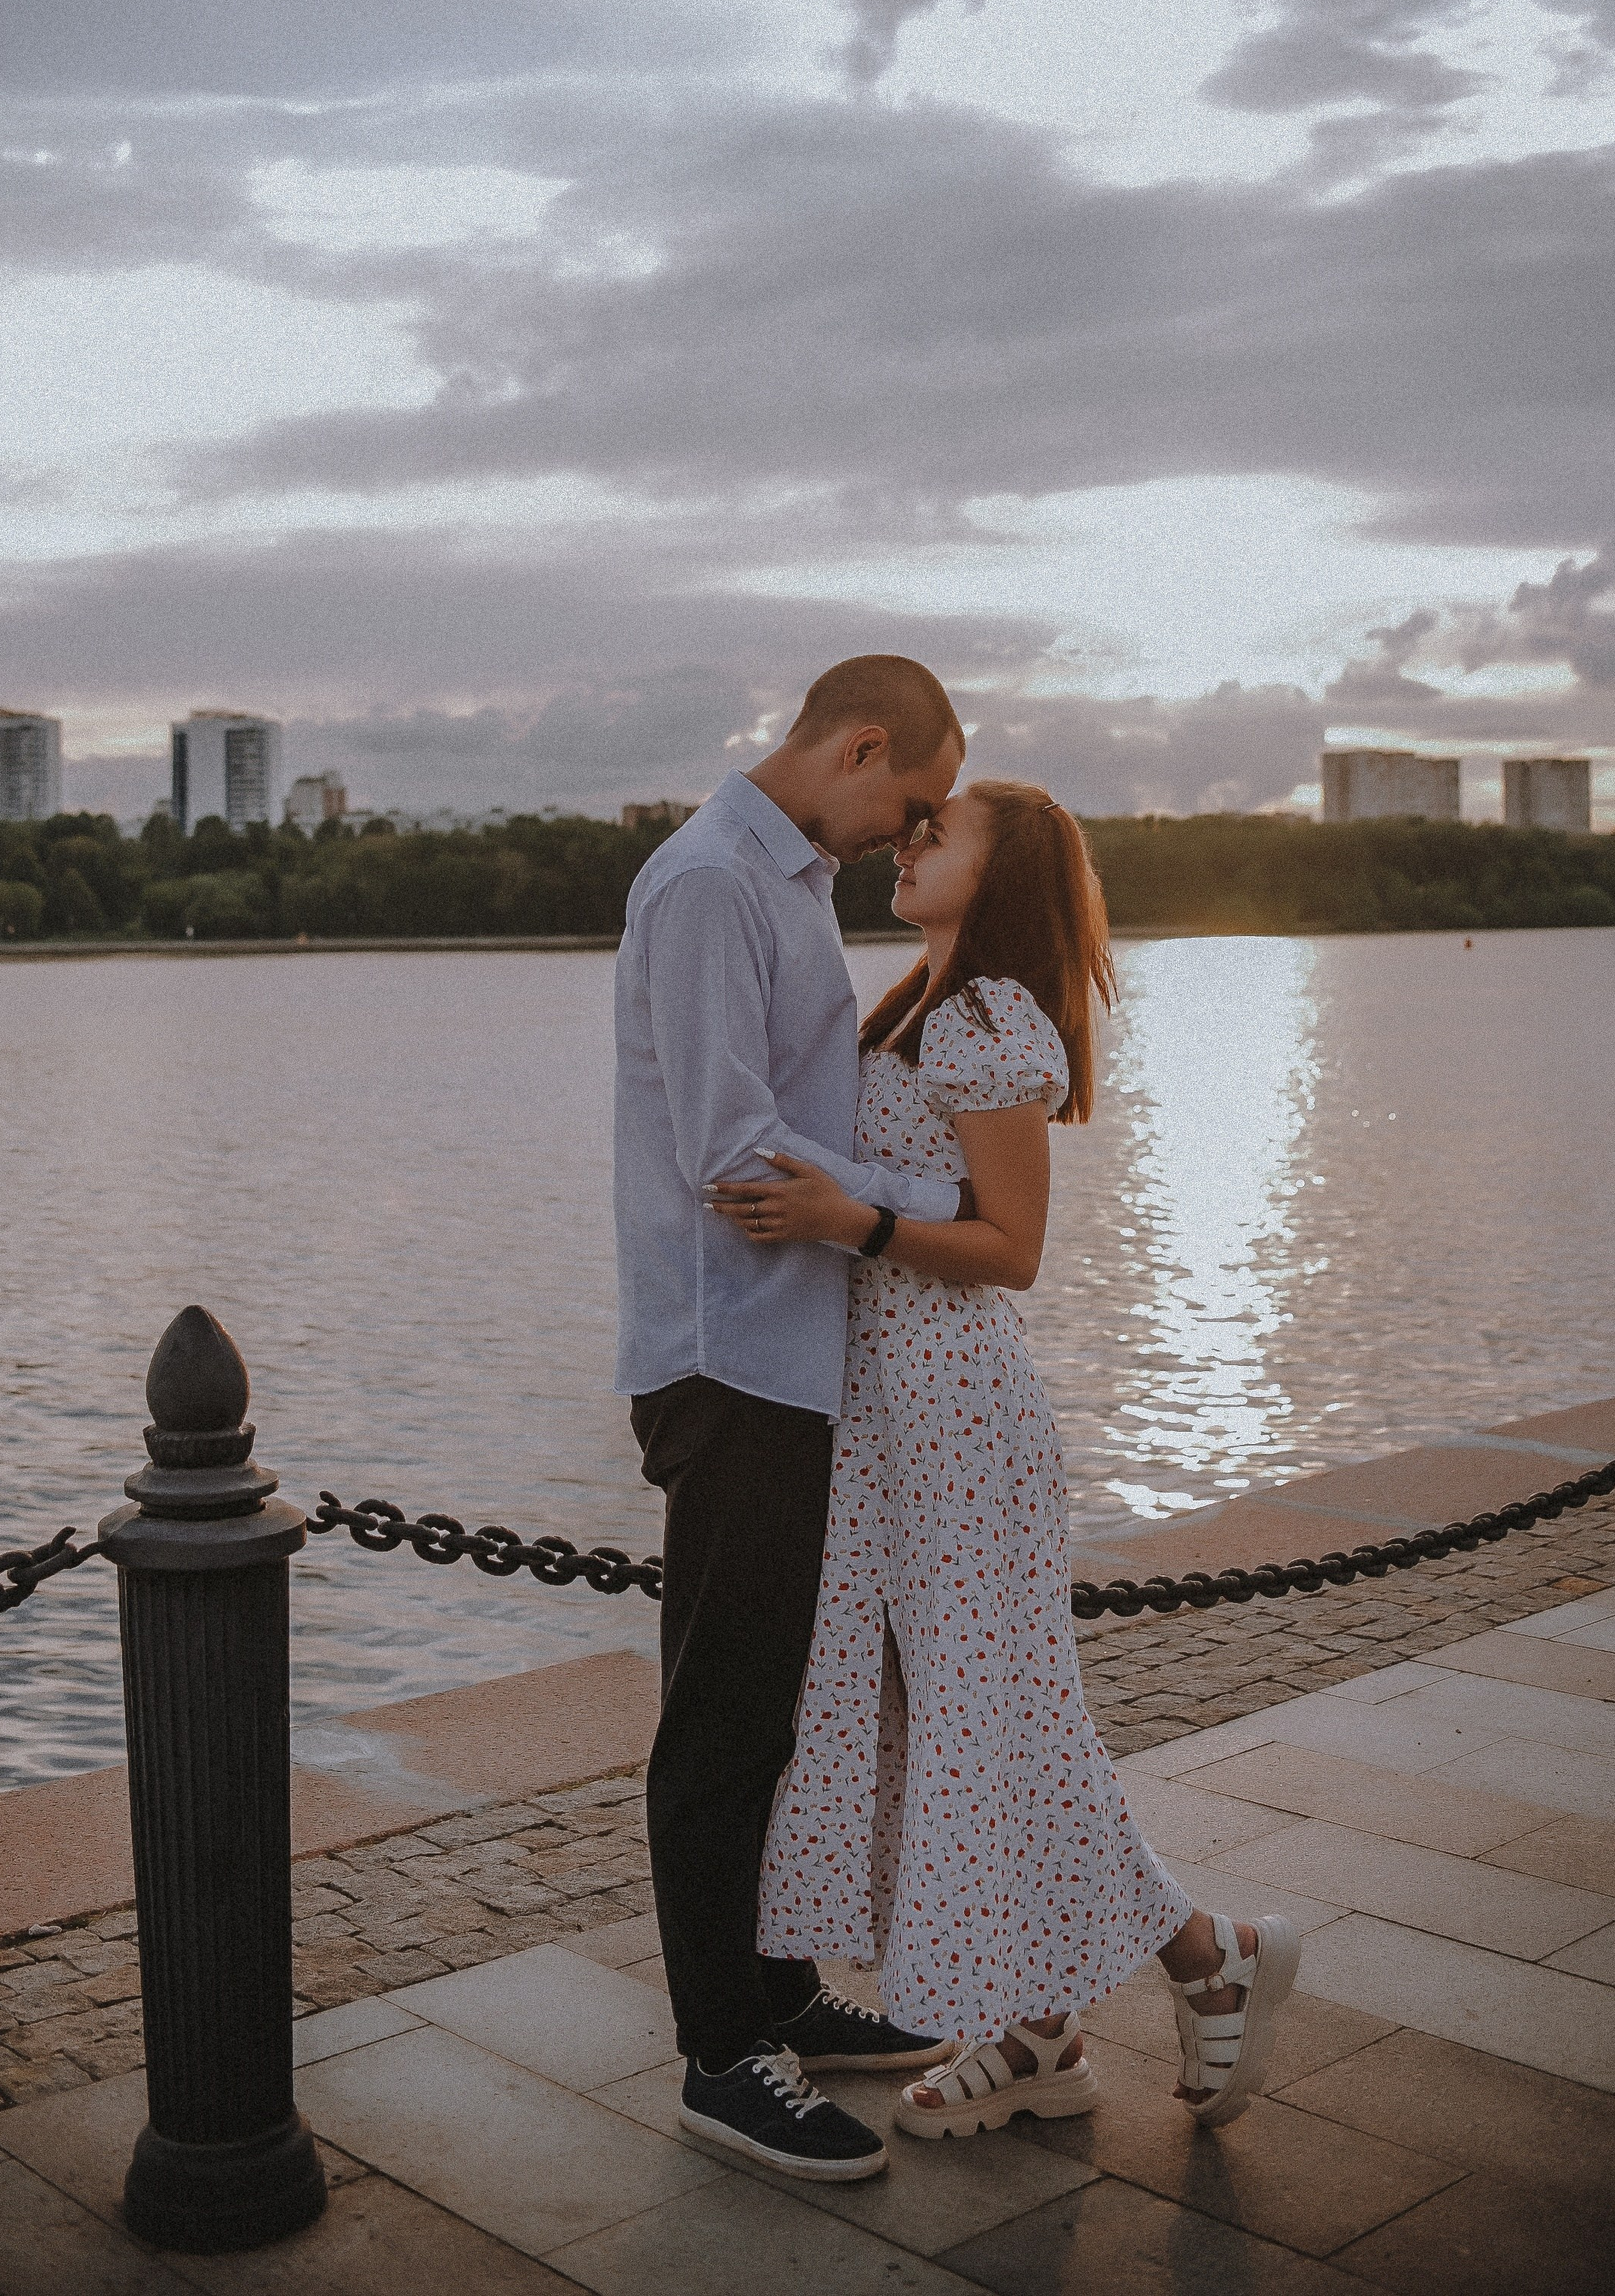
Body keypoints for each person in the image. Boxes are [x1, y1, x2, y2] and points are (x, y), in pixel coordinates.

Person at [709, 780, 1300, 2142]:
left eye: (941, 831)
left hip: (959, 1425)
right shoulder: (911, 1002)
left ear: (1006, 874)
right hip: (889, 1426)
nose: (910, 844)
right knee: (952, 1729)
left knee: (1007, 1727)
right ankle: (1038, 2028)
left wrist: (844, 1222)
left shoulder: (983, 1018)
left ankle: (1211, 1958)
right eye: (910, 826)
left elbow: (1012, 1248)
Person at [615, 655, 985, 2185]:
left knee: (771, 1703)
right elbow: (734, 1152)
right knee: (719, 1716)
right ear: (859, 743)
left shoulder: (787, 883)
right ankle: (723, 2054)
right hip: (729, 1355)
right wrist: (927, 1204)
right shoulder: (710, 883)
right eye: (907, 799)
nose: (906, 831)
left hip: (790, 1351)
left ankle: (777, 1993)